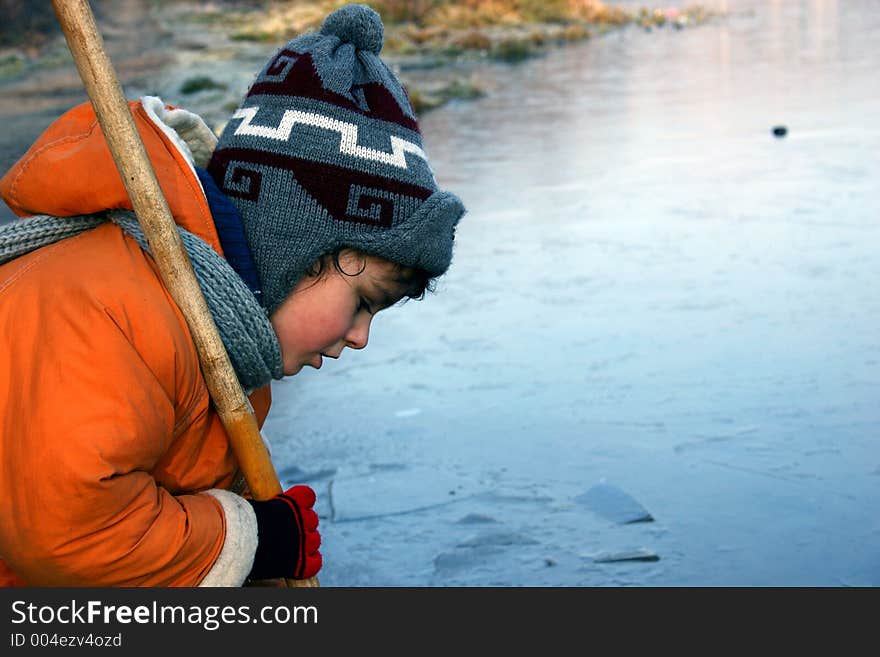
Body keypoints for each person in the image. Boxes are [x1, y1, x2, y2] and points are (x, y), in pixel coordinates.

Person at [0, 4, 464, 586]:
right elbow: (67, 531)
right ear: (296, 250)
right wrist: (249, 540)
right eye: (363, 302)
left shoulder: (220, 335)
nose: (361, 337)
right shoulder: (111, 310)